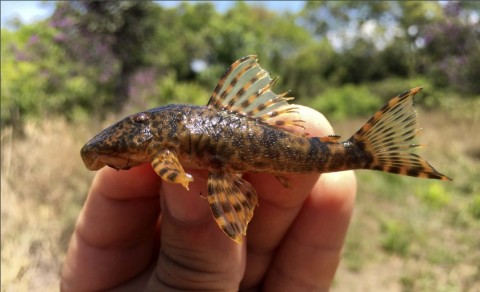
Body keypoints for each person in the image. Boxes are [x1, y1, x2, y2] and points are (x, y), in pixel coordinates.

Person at [61, 105, 357, 291]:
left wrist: (179, 177)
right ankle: (363, 152)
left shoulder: (160, 144)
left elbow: (171, 170)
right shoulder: (160, 144)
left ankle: (363, 152)